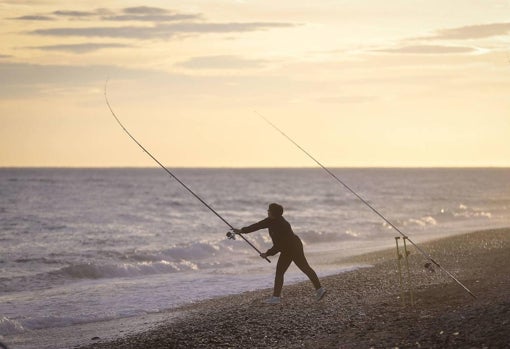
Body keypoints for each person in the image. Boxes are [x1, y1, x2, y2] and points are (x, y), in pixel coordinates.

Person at [234, 203, 326, 304]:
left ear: (273, 213)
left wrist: (267, 253)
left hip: (292, 247)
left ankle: (276, 298)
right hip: (290, 246)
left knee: (290, 270)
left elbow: (280, 245)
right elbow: (258, 225)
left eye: (269, 210)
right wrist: (242, 230)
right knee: (301, 268)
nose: (267, 211)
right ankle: (319, 290)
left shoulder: (282, 225)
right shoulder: (271, 220)